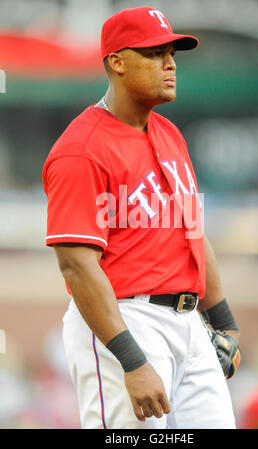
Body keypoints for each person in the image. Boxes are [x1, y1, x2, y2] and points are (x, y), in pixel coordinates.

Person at [42, 6, 240, 429]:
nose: (170, 64)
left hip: (189, 322)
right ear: (116, 61)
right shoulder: (81, 149)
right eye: (153, 54)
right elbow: (76, 266)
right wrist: (131, 360)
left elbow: (193, 231)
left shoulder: (170, 133)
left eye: (172, 53)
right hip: (124, 320)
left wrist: (225, 323)